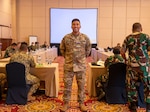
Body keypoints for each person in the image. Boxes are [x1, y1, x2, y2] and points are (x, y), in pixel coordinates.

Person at [59, 18, 91, 112]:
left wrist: (81, 58)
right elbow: (62, 49)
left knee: (81, 86)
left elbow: (88, 49)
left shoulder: (85, 38)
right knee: (67, 86)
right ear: (71, 26)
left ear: (80, 26)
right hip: (69, 66)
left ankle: (81, 103)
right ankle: (66, 103)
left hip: (81, 66)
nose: (75, 26)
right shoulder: (66, 37)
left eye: (77, 24)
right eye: (74, 24)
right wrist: (68, 58)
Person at [121, 22, 150, 111]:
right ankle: (148, 107)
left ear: (132, 29)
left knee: (132, 85)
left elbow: (122, 52)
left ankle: (133, 106)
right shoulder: (146, 37)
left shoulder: (128, 38)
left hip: (132, 66)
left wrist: (126, 60)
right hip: (144, 67)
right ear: (141, 28)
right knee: (147, 85)